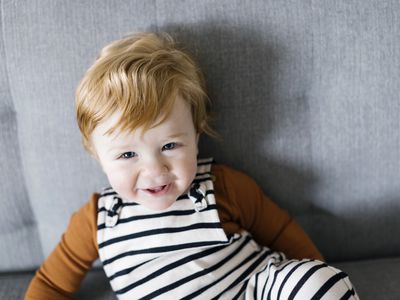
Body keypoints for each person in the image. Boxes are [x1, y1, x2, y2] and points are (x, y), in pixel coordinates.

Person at [25, 32, 358, 299]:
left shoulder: (221, 186)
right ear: (96, 153)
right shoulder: (97, 221)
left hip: (257, 289)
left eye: (170, 145)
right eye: (128, 155)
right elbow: (52, 284)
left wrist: (315, 273)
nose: (155, 170)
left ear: (196, 135)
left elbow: (282, 232)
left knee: (319, 283)